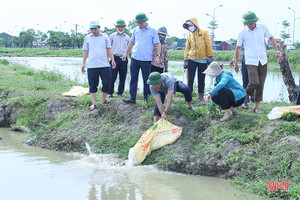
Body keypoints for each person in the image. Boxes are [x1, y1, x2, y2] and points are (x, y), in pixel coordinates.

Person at [234, 11, 281, 113]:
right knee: (254, 82)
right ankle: (243, 99)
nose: (250, 25)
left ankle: (256, 107)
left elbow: (271, 38)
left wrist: (277, 51)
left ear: (255, 21)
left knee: (261, 84)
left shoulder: (262, 27)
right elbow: (238, 48)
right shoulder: (242, 32)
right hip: (250, 60)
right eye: (248, 24)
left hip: (263, 59)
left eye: (251, 23)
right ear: (245, 23)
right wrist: (236, 62)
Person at [122, 13, 161, 104]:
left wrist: (157, 56)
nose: (140, 24)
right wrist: (125, 53)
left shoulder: (152, 31)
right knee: (133, 78)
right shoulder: (135, 30)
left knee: (146, 80)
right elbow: (131, 42)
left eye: (141, 22)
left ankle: (146, 99)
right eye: (138, 22)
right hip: (135, 58)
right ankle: (132, 98)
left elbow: (158, 44)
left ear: (145, 21)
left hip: (146, 60)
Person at [81, 20, 116, 111]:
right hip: (92, 65)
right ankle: (94, 103)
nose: (93, 31)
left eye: (95, 29)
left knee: (107, 83)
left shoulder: (105, 37)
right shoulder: (87, 38)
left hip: (104, 64)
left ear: (99, 28)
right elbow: (85, 51)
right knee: (92, 84)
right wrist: (83, 64)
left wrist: (112, 60)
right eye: (91, 29)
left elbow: (109, 48)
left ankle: (103, 100)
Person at [183, 17, 213, 101]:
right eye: (187, 26)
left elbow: (208, 44)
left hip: (203, 60)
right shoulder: (189, 35)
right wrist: (185, 60)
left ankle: (201, 95)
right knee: (190, 79)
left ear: (195, 24)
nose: (189, 27)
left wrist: (210, 56)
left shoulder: (204, 32)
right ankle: (189, 97)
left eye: (190, 25)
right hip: (191, 59)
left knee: (201, 78)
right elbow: (187, 48)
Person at [108, 19, 131, 98]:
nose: (120, 28)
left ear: (124, 27)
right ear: (116, 27)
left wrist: (131, 58)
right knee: (112, 76)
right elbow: (108, 48)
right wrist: (108, 58)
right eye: (119, 27)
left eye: (122, 27)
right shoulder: (112, 36)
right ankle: (110, 92)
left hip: (124, 58)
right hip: (114, 58)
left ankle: (120, 92)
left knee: (123, 76)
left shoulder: (127, 37)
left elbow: (130, 49)